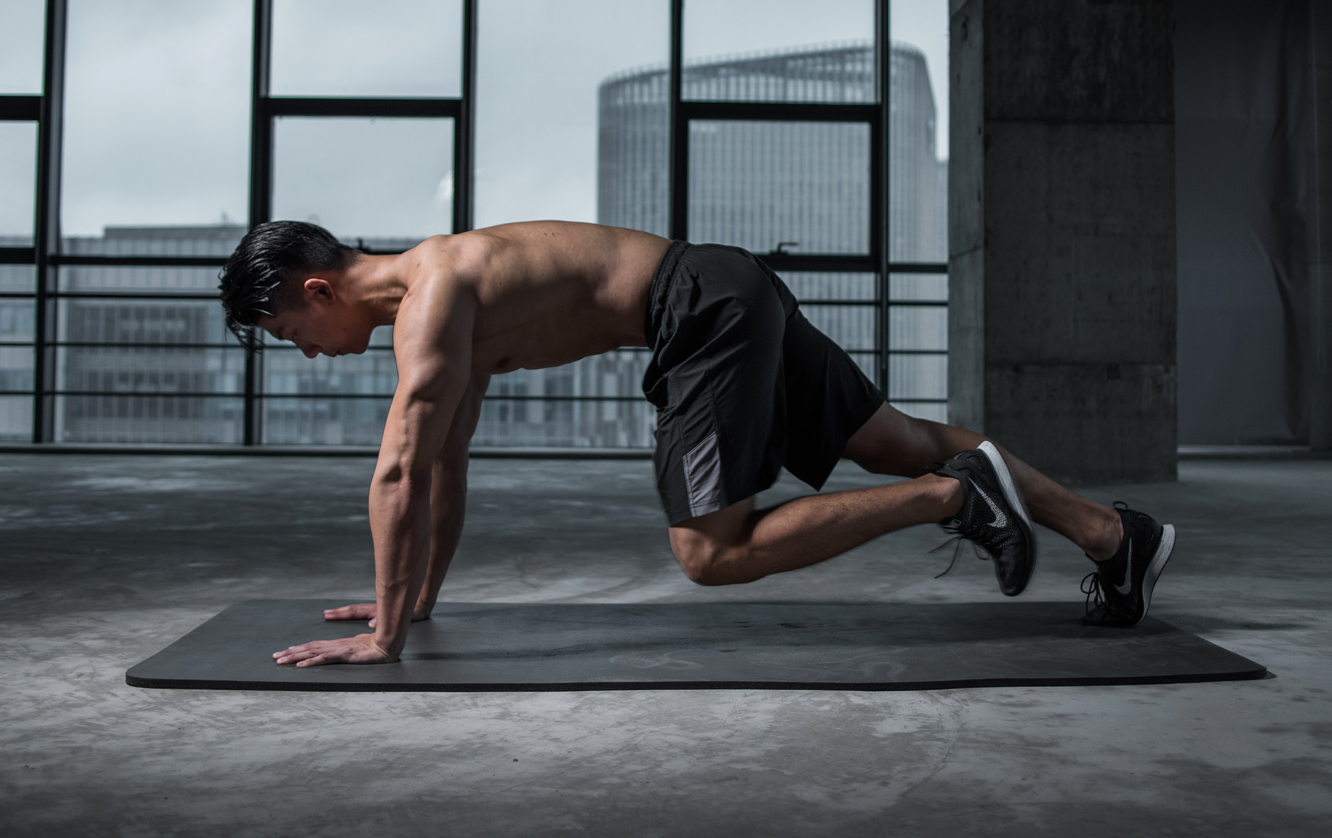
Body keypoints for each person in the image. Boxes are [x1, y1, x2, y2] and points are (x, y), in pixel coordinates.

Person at [216, 220, 1175, 667]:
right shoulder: (441, 296)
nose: (305, 355)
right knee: (898, 438)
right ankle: (1111, 536)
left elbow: (396, 469)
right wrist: (414, 602)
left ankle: (956, 499)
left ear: (317, 291)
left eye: (291, 337)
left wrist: (385, 641)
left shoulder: (431, 300)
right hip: (723, 284)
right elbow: (443, 462)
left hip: (699, 309)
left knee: (711, 552)